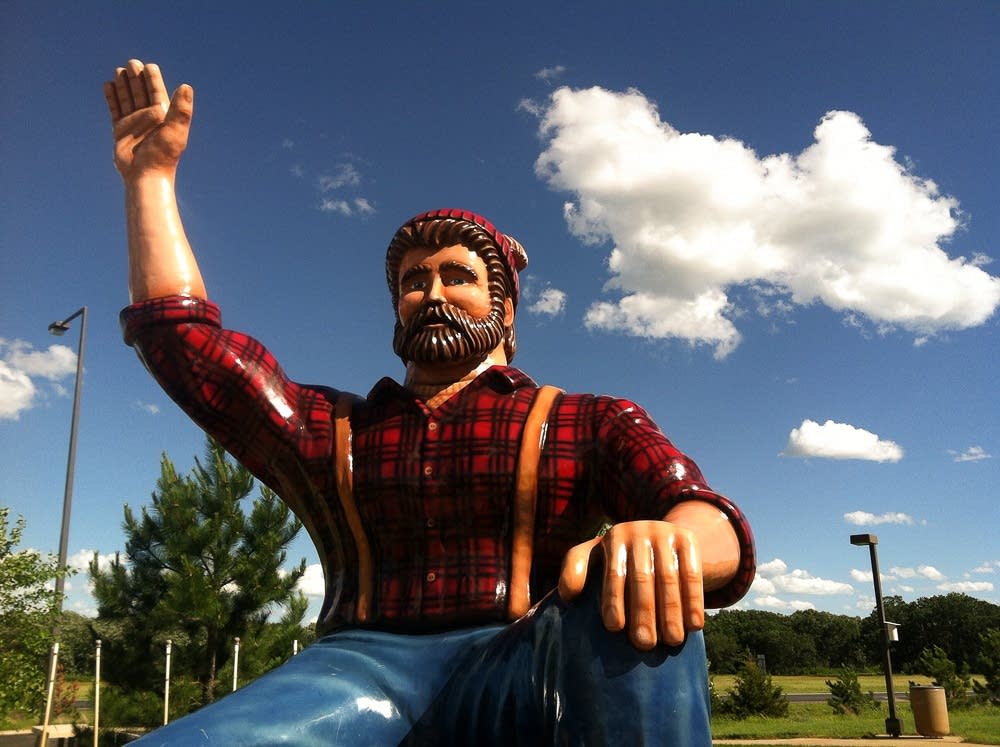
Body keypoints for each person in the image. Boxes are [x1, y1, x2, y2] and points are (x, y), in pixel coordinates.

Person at [106, 59, 755, 745]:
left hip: (527, 663)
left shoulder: (585, 419)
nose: (434, 292)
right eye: (416, 280)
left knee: (632, 586)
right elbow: (188, 346)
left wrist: (669, 540)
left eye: (458, 275)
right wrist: (149, 181)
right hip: (352, 674)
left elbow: (712, 522)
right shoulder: (335, 429)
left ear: (504, 311)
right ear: (396, 307)